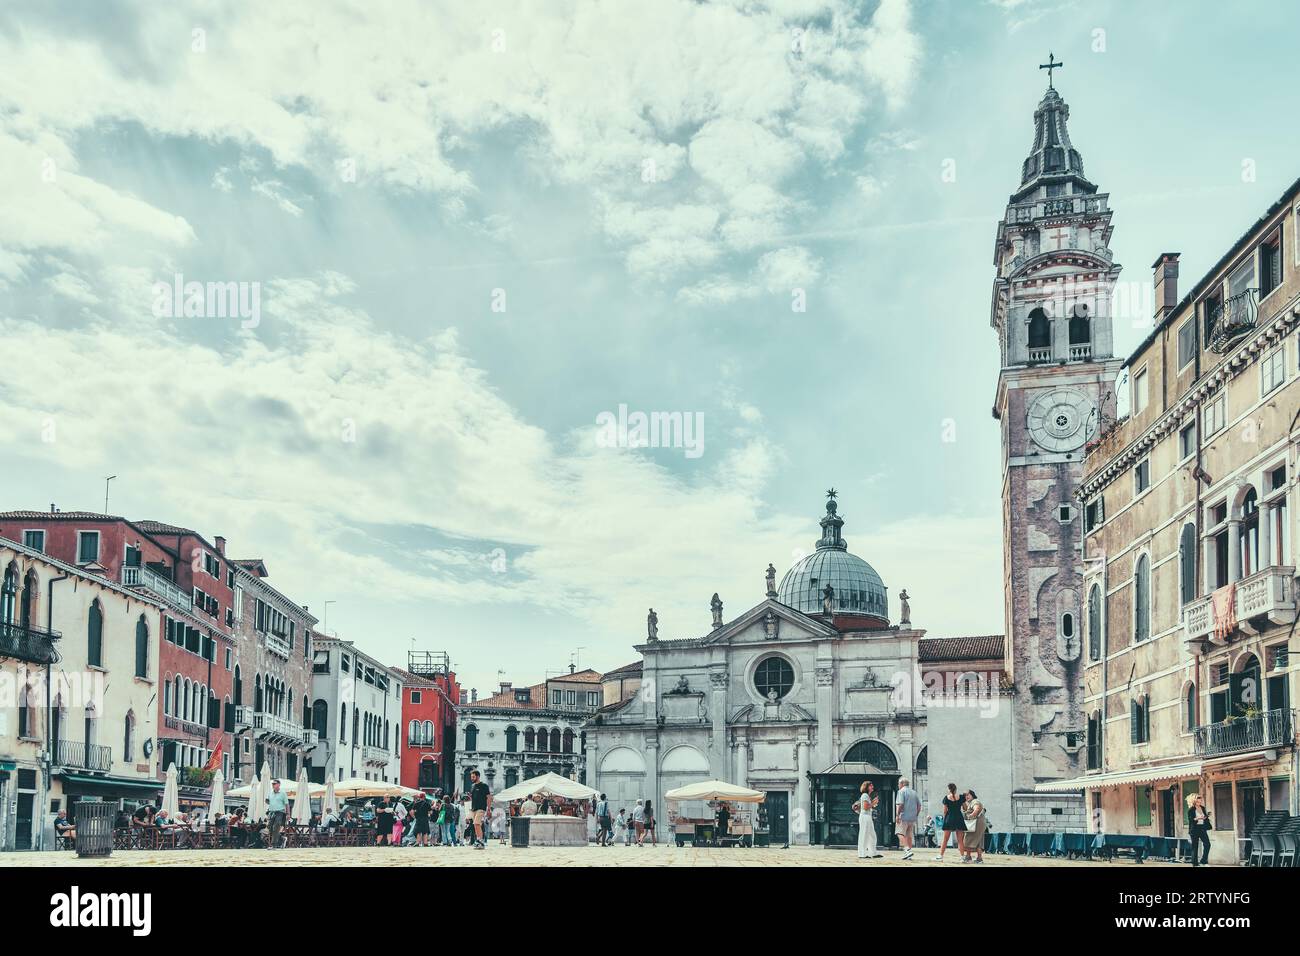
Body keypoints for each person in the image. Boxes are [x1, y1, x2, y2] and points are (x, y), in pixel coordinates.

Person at [895, 777, 922, 861]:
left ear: (902, 784)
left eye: (899, 784)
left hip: (903, 816)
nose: (898, 785)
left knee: (899, 833)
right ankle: (909, 854)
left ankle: (906, 850)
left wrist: (897, 815)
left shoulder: (901, 792)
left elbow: (901, 804)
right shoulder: (914, 792)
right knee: (909, 835)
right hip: (912, 818)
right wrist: (916, 815)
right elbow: (919, 806)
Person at [936, 783, 965, 861]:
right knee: (960, 840)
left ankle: (940, 856)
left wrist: (946, 819)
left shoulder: (946, 798)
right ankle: (962, 857)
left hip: (949, 818)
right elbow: (964, 808)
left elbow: (945, 811)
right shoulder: (961, 797)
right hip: (959, 818)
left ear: (949, 789)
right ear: (956, 789)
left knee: (945, 839)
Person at [854, 781, 881, 859]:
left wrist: (872, 802)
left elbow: (867, 806)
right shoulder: (865, 795)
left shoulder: (867, 796)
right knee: (864, 835)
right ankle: (862, 854)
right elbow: (865, 807)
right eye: (871, 785)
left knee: (872, 835)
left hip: (867, 816)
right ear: (866, 787)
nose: (872, 786)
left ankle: (873, 852)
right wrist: (873, 803)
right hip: (865, 817)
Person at [961, 789, 987, 863]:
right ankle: (979, 859)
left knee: (967, 839)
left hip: (975, 824)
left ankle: (968, 857)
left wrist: (971, 815)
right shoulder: (971, 803)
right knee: (978, 841)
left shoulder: (975, 801)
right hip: (979, 824)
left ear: (972, 795)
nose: (966, 796)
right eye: (965, 795)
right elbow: (967, 809)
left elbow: (976, 809)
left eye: (968, 795)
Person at [469, 769, 492, 849]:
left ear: (478, 776)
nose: (471, 778)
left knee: (476, 823)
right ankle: (478, 840)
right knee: (476, 825)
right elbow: (473, 798)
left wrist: (489, 809)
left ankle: (480, 841)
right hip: (474, 809)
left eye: (473, 777)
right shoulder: (472, 786)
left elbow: (489, 797)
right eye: (471, 777)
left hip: (481, 808)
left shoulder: (484, 786)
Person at [1187, 793, 1212, 866]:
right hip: (1194, 829)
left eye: (1200, 801)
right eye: (1198, 801)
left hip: (1202, 828)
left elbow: (1204, 817)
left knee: (1207, 844)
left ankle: (1203, 861)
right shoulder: (1191, 809)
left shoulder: (1203, 808)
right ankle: (1195, 864)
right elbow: (1191, 820)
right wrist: (1198, 818)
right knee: (1195, 846)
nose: (1199, 803)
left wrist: (1206, 816)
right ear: (1194, 801)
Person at [266, 778, 289, 849]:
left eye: (274, 783)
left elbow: (287, 804)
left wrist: (288, 814)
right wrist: (267, 801)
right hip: (271, 812)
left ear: (279, 785)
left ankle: (273, 845)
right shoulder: (270, 793)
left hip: (280, 812)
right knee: (269, 827)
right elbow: (269, 802)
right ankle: (282, 839)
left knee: (276, 827)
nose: (273, 785)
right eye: (272, 784)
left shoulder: (283, 793)